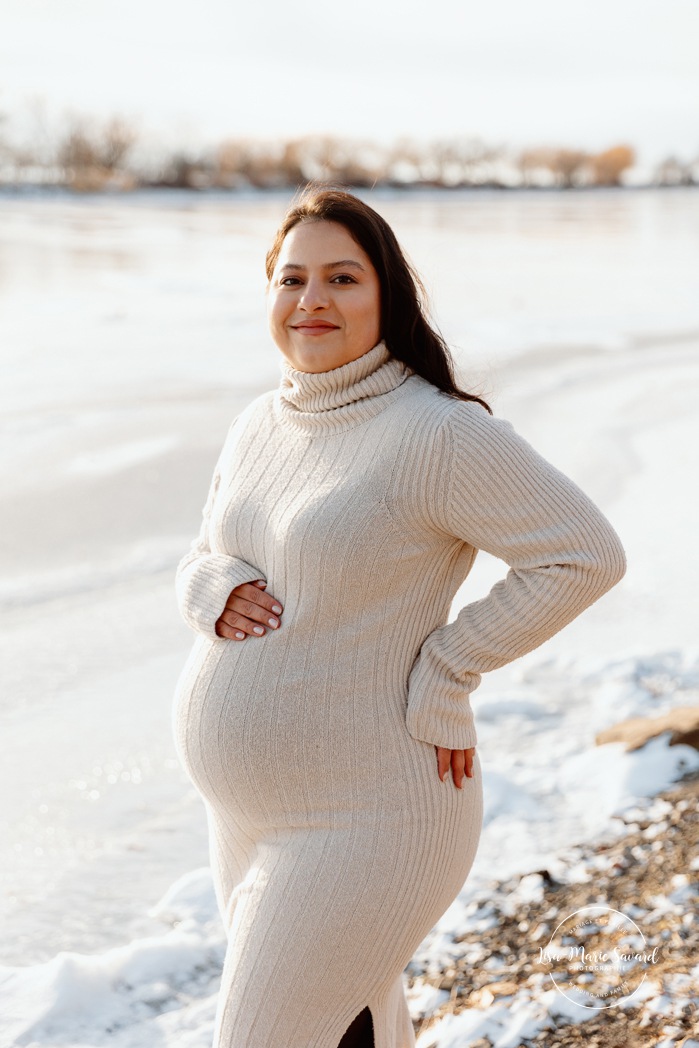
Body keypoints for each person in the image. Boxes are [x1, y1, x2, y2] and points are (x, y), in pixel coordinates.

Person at [172, 185, 626, 1048]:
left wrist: (448, 669)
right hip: (244, 815)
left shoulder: (435, 433)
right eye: (291, 278)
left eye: (342, 278)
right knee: (350, 1030)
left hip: (367, 816)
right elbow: (201, 551)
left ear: (387, 295)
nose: (311, 300)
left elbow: (582, 554)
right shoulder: (258, 423)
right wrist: (211, 587)